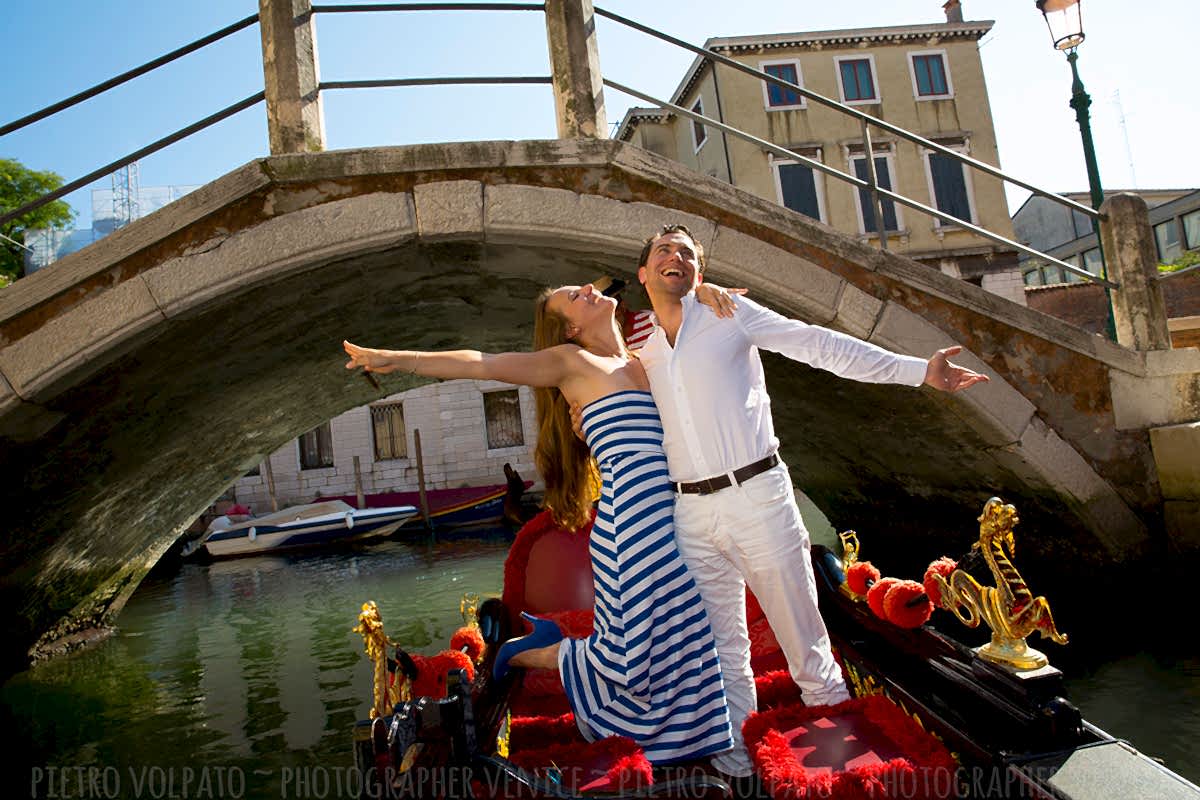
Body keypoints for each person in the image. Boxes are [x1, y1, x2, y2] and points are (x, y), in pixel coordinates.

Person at [630, 224, 990, 777]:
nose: (673, 257)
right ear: (644, 273)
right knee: (723, 648)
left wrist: (919, 372)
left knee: (805, 641)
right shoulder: (642, 342)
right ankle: (740, 767)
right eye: (663, 250)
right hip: (691, 513)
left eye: (685, 252)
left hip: (757, 495)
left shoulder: (730, 314)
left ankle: (851, 770)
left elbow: (821, 346)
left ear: (699, 271)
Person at [341, 280, 741, 764]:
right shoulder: (571, 363)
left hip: (675, 516)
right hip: (631, 524)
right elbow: (483, 362)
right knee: (633, 660)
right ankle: (531, 652)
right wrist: (400, 358)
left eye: (582, 286)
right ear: (570, 328)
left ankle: (698, 750)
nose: (589, 288)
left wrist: (707, 292)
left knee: (683, 633)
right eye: (574, 296)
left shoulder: (647, 358)